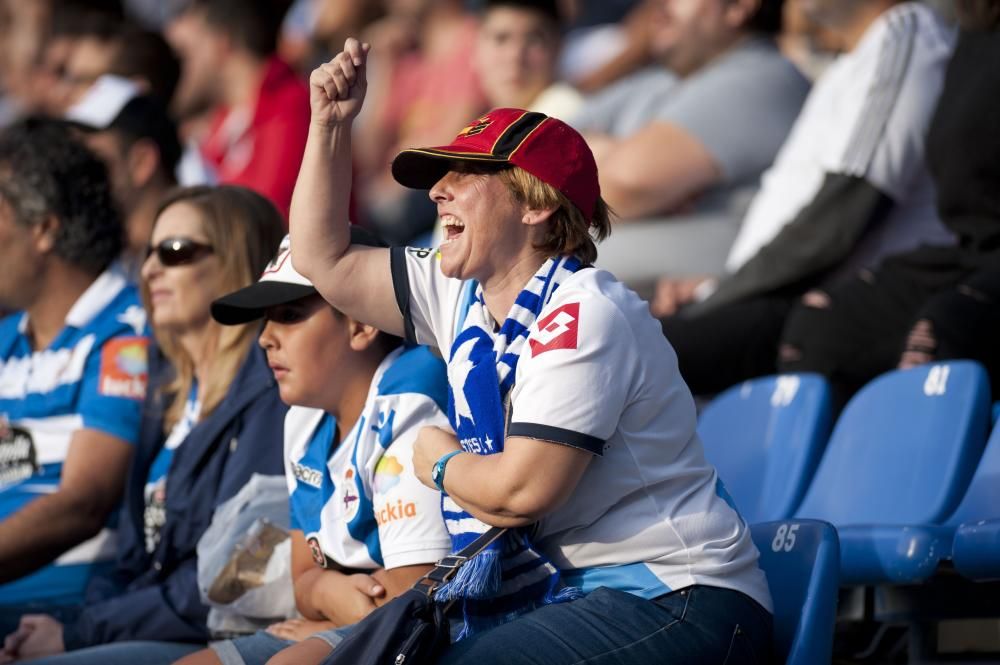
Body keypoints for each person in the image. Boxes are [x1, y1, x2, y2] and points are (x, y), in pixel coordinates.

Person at [287, 38, 774, 664]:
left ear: (538, 205)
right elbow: (321, 259)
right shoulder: (458, 294)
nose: (439, 191)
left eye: (467, 175)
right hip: (578, 598)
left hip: (681, 596)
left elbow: (521, 493)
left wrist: (435, 460)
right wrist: (329, 126)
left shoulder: (587, 309)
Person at [2, 186, 288, 664]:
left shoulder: (270, 391)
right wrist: (79, 626)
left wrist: (80, 632)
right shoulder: (166, 396)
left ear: (237, 260)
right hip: (142, 626)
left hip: (214, 636)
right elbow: (129, 556)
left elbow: (237, 573)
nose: (151, 268)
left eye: (175, 251)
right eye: (149, 252)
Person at [175, 230, 452, 665]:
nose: (265, 338)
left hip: (441, 627)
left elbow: (413, 597)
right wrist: (326, 591)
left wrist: (328, 607)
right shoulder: (303, 419)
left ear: (361, 322)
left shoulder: (410, 395)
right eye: (266, 319)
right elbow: (304, 578)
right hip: (357, 617)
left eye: (289, 314)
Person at [656, 0, 956, 397]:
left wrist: (718, 298)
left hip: (817, 312)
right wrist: (716, 287)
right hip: (773, 302)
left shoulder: (908, 33)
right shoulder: (853, 61)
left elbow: (841, 218)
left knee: (605, 353)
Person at [778, 0, 1000, 400]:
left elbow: (835, 224)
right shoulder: (975, 28)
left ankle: (931, 462)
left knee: (941, 330)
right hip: (966, 256)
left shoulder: (915, 35)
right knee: (822, 324)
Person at [0, 118, 147, 633]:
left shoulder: (126, 332)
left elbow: (83, 502)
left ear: (44, 228)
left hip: (66, 620)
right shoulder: (6, 338)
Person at [574, 0, 810, 284]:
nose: (658, 6)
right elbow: (525, 154)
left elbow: (616, 189)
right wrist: (613, 155)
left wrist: (603, 158)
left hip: (688, 312)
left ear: (738, 7)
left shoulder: (762, 77)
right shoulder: (658, 81)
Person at [167, 0, 309, 219]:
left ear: (221, 45)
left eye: (182, 56)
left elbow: (266, 215)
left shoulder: (291, 106)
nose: (173, 71)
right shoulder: (217, 128)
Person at [65, 75, 182, 280]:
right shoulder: (112, 261)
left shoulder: (201, 249)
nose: (77, 172)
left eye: (92, 158)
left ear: (142, 162)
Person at [473, 0, 581, 120]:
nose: (515, 55)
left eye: (533, 40)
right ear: (475, 48)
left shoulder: (568, 121)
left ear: (558, 48)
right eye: (501, 39)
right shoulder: (482, 125)